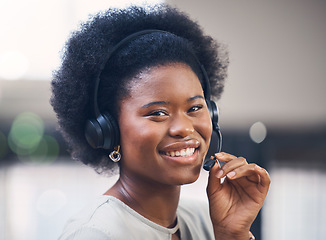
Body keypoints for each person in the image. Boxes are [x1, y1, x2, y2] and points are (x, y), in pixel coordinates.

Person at [51, 4, 270, 240]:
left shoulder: (205, 219)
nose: (184, 128)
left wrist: (231, 234)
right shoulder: (95, 233)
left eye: (195, 108)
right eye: (158, 113)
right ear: (108, 131)